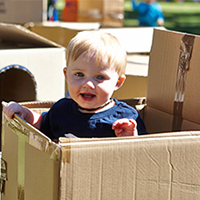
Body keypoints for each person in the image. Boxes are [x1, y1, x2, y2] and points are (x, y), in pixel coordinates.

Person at [3, 31, 148, 140]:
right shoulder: (61, 110)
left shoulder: (126, 118)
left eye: (99, 77)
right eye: (79, 75)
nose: (88, 84)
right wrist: (24, 113)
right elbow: (42, 123)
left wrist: (130, 136)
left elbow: (145, 154)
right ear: (66, 75)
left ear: (118, 83)